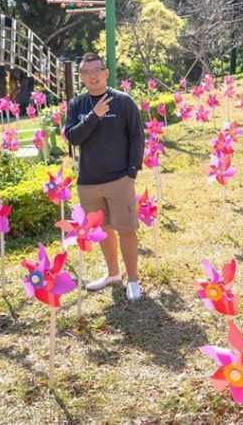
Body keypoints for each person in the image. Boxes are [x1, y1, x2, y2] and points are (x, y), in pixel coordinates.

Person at [63, 53, 146, 301]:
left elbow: (137, 137)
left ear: (106, 72)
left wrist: (132, 172)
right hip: (88, 182)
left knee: (126, 229)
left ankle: (133, 280)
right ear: (81, 77)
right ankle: (112, 274)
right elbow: (73, 138)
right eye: (86, 72)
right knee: (102, 230)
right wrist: (94, 115)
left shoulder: (123, 102)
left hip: (119, 179)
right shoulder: (77, 105)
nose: (92, 76)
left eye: (97, 70)